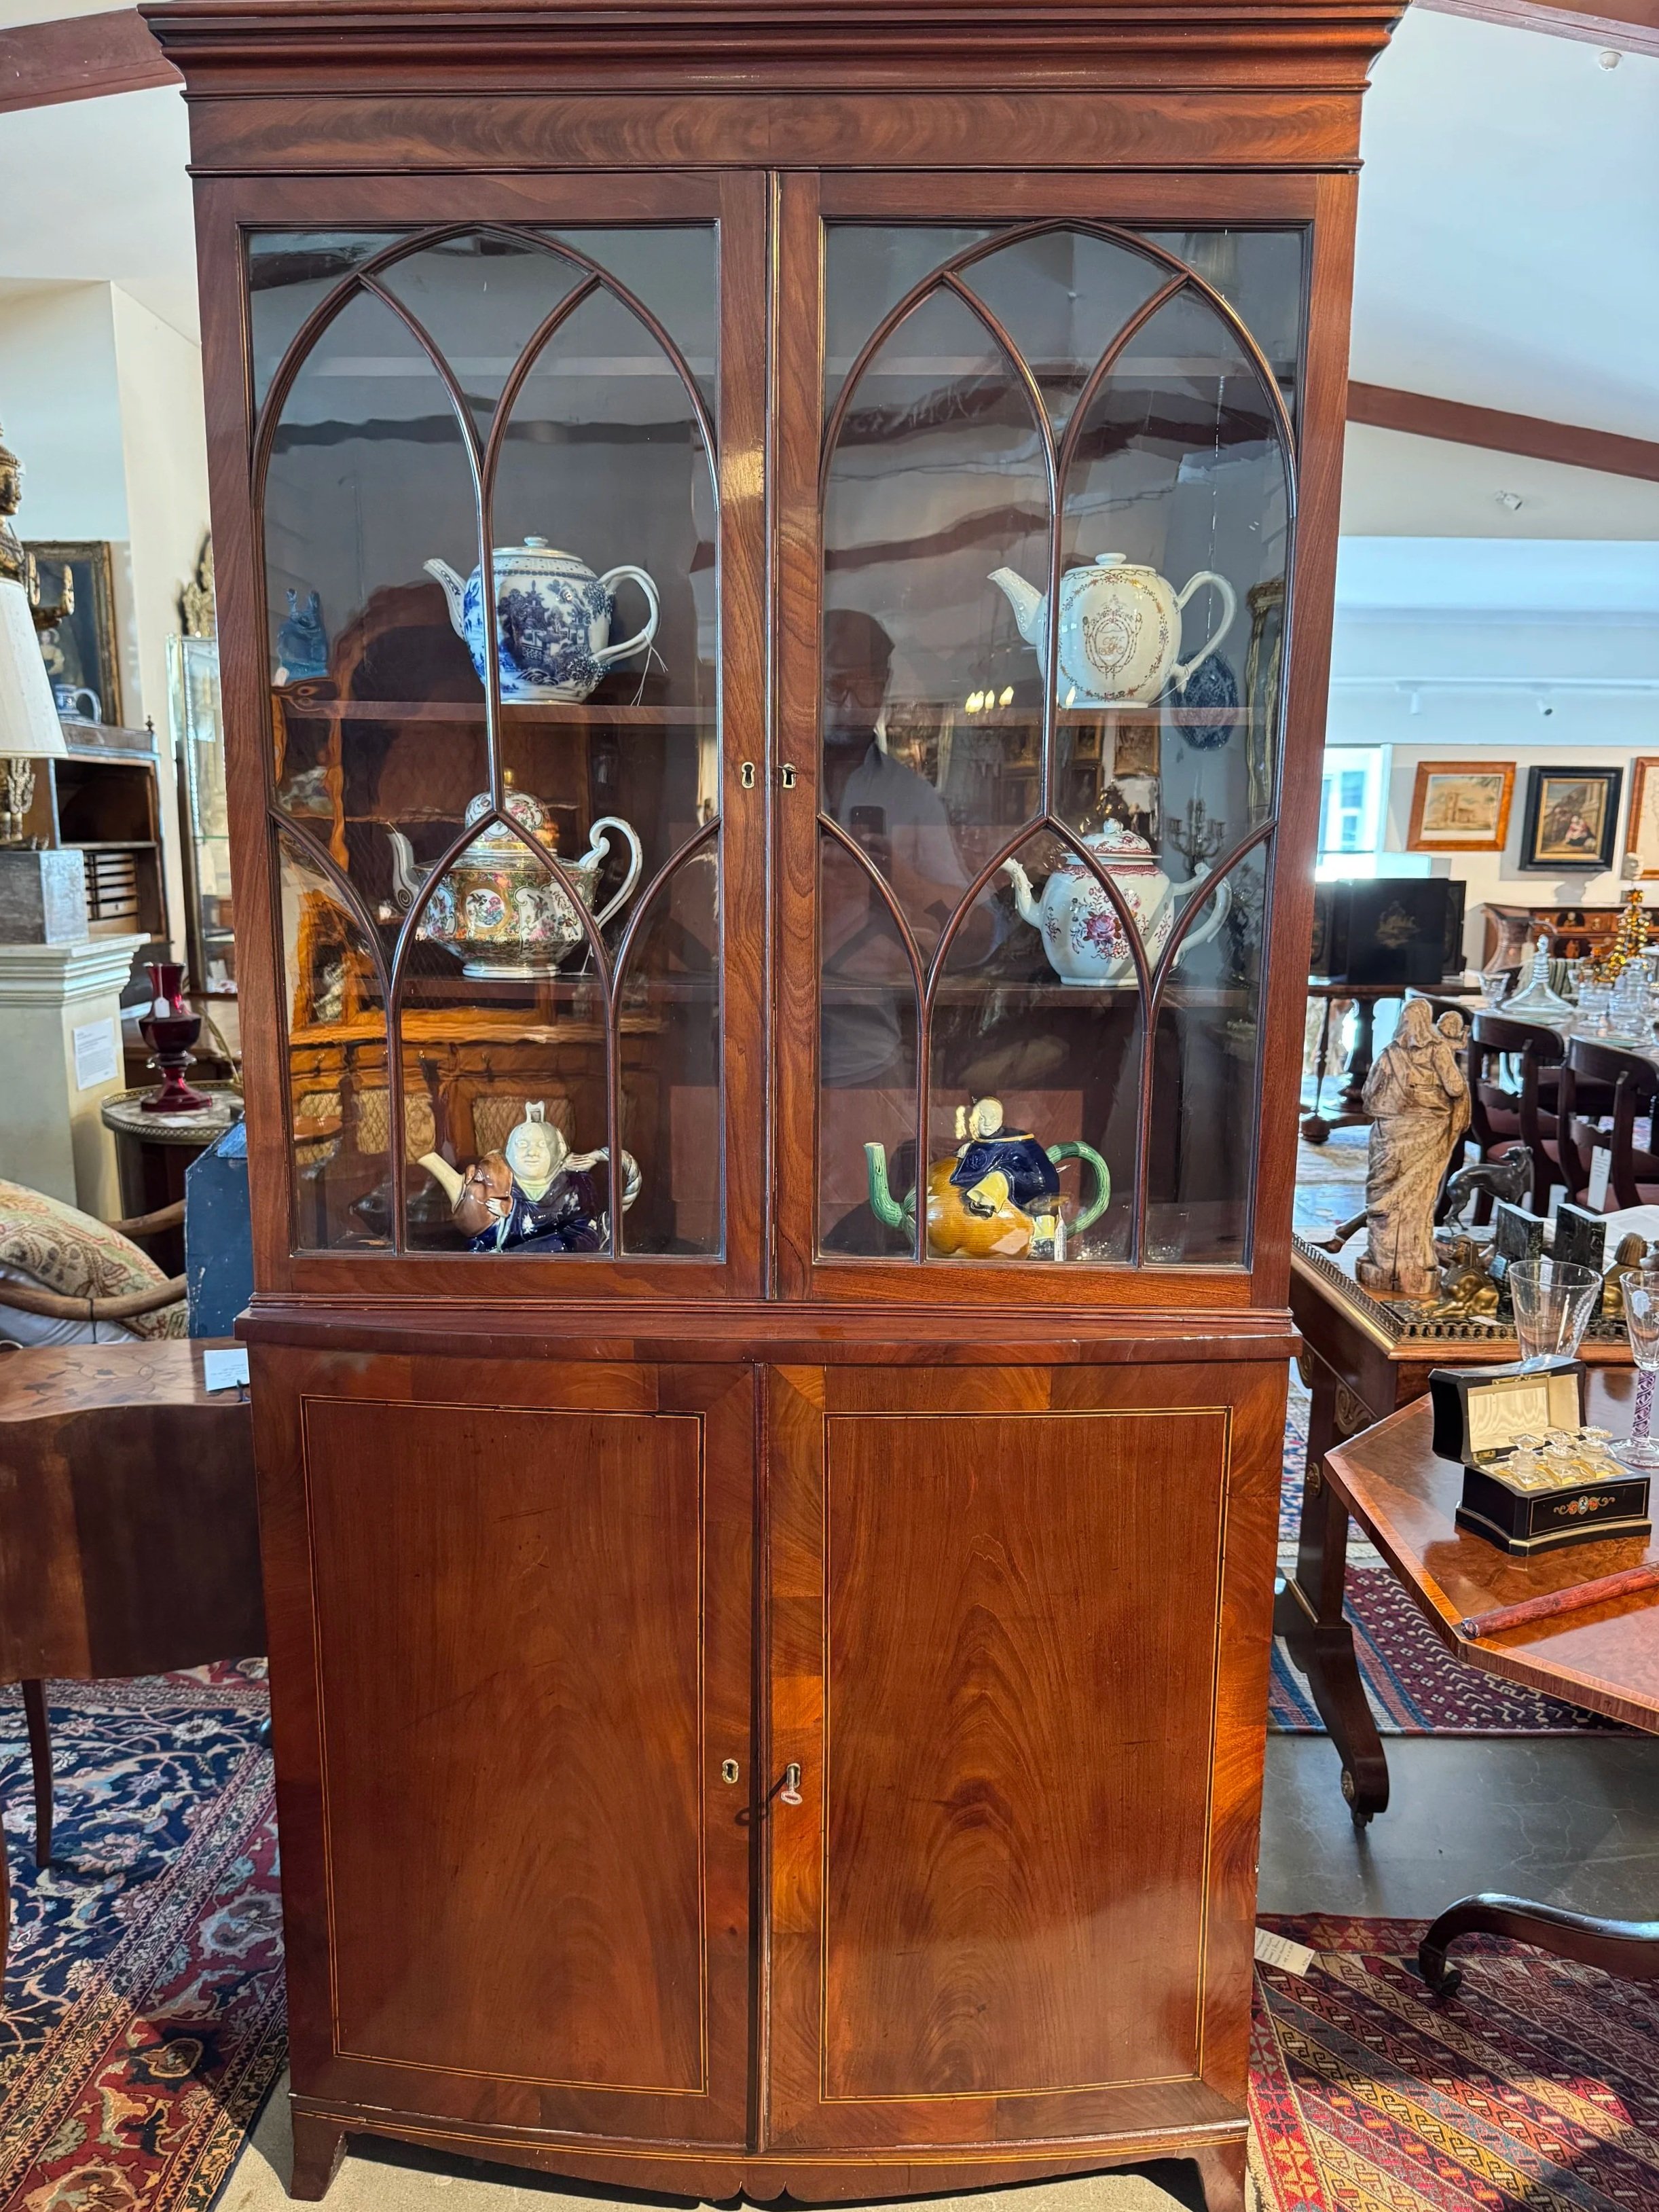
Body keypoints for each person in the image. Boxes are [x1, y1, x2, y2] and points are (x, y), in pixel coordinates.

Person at [1355, 1001, 1470, 1301]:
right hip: (1428, 1129)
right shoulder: (1437, 1051)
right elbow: (1456, 1088)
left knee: (1386, 1190)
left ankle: (1388, 1259)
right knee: (1417, 1195)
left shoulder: (1389, 1055)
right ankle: (1410, 1259)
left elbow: (1368, 1096)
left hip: (1391, 1132)